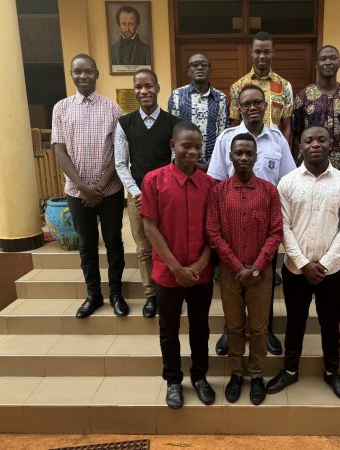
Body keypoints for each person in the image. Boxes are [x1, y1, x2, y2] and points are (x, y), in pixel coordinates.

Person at [266, 125, 340, 401]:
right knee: (295, 322)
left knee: (331, 324)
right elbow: (282, 226)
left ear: (331, 144)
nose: (315, 144)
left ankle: (332, 372)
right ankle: (290, 370)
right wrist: (303, 263)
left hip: (333, 271)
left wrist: (326, 262)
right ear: (300, 147)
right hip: (296, 270)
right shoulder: (288, 182)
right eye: (309, 140)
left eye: (321, 139)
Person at [208, 84, 296, 357]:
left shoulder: (277, 139)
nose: (252, 107)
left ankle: (265, 329)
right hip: (232, 225)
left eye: (258, 102)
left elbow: (288, 180)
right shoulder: (226, 138)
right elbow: (216, 181)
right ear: (239, 108)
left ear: (265, 105)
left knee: (264, 279)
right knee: (231, 285)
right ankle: (230, 328)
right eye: (246, 104)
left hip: (265, 227)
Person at [141, 121, 217, 409]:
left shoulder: (210, 184)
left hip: (201, 272)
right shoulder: (153, 181)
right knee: (168, 329)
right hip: (167, 273)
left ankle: (200, 377)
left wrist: (199, 263)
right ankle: (173, 380)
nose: (193, 151)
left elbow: (213, 231)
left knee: (200, 328)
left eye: (198, 146)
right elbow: (150, 227)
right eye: (187, 145)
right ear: (173, 146)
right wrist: (176, 268)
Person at [206, 133, 283, 406]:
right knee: (235, 327)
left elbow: (276, 232)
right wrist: (239, 267)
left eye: (249, 153)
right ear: (230, 155)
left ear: (256, 156)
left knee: (260, 328)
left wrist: (257, 267)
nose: (243, 158)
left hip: (260, 274)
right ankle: (237, 373)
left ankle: (257, 375)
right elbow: (213, 232)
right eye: (238, 153)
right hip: (230, 272)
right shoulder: (218, 192)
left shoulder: (269, 191)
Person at [51, 54, 127, 319]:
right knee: (87, 244)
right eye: (77, 72)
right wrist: (83, 187)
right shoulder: (61, 108)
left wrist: (101, 186)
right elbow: (60, 151)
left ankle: (116, 294)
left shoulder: (112, 109)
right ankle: (93, 295)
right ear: (71, 74)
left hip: (110, 191)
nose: (83, 76)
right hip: (77, 192)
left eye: (88, 72)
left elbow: (120, 152)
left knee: (114, 241)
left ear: (97, 74)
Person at [115, 69, 181, 319]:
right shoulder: (125, 123)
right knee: (143, 247)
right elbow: (121, 163)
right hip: (137, 195)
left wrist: (161, 191)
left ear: (157, 88)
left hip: (166, 195)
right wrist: (136, 191)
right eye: (139, 87)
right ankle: (151, 295)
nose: (144, 91)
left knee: (168, 243)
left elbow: (175, 160)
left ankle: (170, 290)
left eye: (149, 86)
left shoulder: (173, 124)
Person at [292, 45, 340, 166]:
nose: (328, 62)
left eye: (333, 58)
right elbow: (296, 134)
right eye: (323, 59)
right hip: (310, 165)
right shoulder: (303, 96)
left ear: (339, 63)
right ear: (316, 65)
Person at [168, 53, 229, 171]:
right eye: (195, 65)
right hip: (182, 165)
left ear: (210, 70)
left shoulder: (221, 98)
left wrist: (210, 164)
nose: (200, 68)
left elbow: (222, 134)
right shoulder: (176, 95)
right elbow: (173, 132)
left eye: (204, 65)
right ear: (188, 71)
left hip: (211, 167)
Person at [229, 31, 293, 143]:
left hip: (275, 149)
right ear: (251, 52)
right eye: (257, 52)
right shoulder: (237, 87)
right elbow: (234, 124)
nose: (262, 56)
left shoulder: (285, 86)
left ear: (273, 52)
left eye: (267, 52)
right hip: (246, 149)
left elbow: (287, 126)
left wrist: (284, 152)